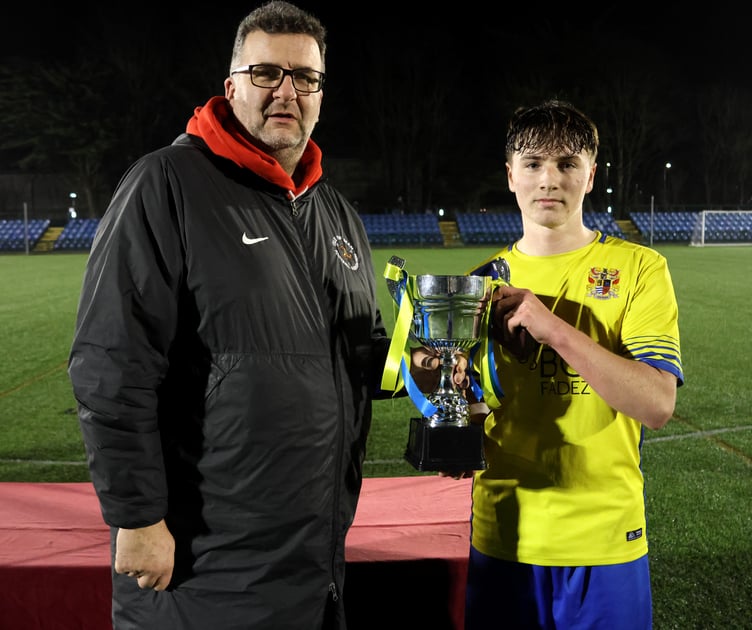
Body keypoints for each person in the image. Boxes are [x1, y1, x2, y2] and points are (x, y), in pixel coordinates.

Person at [67, 3, 444, 628]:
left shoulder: (336, 212)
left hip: (312, 555)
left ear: (322, 93)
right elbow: (113, 362)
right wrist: (136, 518)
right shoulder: (167, 183)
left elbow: (358, 350)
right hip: (205, 560)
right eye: (267, 72)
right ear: (232, 86)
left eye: (306, 78)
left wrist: (419, 365)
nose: (287, 91)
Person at [460, 100, 684, 629]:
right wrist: (449, 408)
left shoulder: (640, 268)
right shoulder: (479, 284)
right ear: (511, 175)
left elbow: (656, 404)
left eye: (566, 164)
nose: (549, 180)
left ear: (590, 174)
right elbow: (469, 408)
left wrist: (555, 329)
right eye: (533, 164)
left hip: (605, 540)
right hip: (505, 532)